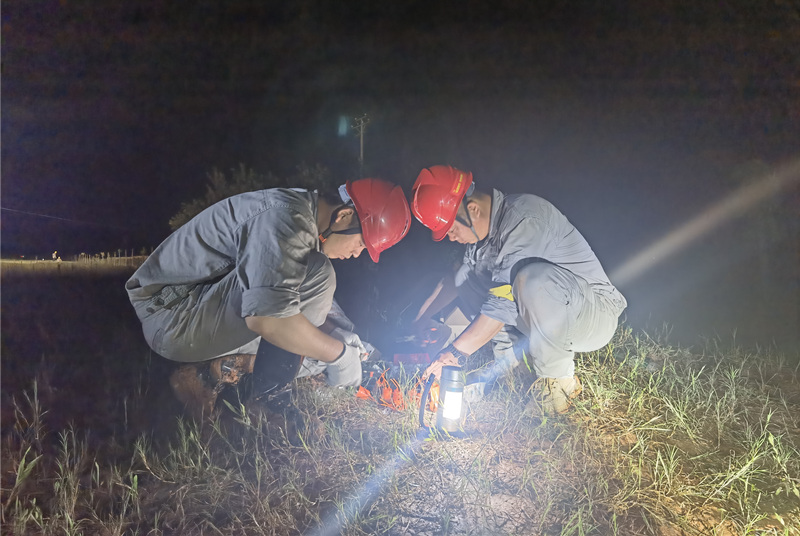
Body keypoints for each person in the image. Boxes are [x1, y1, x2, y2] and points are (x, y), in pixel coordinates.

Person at [126, 178, 411, 418]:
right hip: (174, 317)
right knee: (318, 281)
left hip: (193, 309)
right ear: (345, 216)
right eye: (361, 243)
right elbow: (269, 319)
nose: (356, 253)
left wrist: (337, 336)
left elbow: (286, 302)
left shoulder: (299, 216)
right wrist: (339, 356)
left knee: (312, 341)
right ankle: (268, 405)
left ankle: (207, 375)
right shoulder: (284, 219)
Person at [411, 165, 626, 415]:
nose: (450, 237)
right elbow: (453, 281)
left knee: (532, 279)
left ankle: (557, 381)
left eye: (451, 229)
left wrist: (455, 353)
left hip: (592, 314)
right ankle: (508, 363)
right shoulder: (482, 237)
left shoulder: (526, 218)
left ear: (472, 210)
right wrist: (420, 319)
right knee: (465, 276)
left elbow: (503, 302)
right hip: (550, 313)